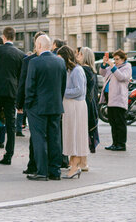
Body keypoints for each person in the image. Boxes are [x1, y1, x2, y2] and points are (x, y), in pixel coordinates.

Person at [24, 33, 65, 181]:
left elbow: (30, 87)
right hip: (55, 106)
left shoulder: (35, 62)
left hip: (37, 107)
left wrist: (27, 105)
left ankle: (42, 171)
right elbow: (62, 86)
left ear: (40, 46)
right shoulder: (60, 62)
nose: (35, 47)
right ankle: (55, 171)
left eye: (36, 45)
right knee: (55, 138)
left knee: (39, 138)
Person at [0, 26, 24, 164]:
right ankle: (8, 155)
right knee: (11, 124)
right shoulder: (20, 54)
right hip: (12, 92)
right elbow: (21, 76)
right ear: (14, 36)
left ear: (4, 36)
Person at [59, 45, 87, 179]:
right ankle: (73, 164)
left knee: (75, 136)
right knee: (70, 135)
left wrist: (62, 92)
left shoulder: (77, 70)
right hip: (70, 107)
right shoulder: (69, 70)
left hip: (76, 107)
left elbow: (79, 90)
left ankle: (75, 166)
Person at [101, 50, 131, 151]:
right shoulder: (113, 67)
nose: (116, 61)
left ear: (123, 59)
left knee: (120, 122)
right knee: (112, 121)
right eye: (114, 59)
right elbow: (103, 73)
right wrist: (104, 64)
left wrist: (113, 66)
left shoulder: (127, 67)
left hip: (119, 98)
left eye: (117, 59)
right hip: (110, 98)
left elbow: (122, 77)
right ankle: (115, 142)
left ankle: (121, 144)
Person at [78, 47, 99, 154]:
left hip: (84, 102)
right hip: (90, 102)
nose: (77, 56)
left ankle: (82, 159)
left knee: (82, 133)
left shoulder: (83, 70)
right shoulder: (91, 70)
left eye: (79, 54)